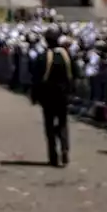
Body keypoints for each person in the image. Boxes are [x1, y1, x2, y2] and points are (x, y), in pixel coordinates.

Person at [30, 29, 73, 167]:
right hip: (63, 95)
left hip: (47, 97)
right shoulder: (66, 56)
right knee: (63, 124)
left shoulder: (43, 57)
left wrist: (34, 96)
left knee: (49, 127)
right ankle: (65, 148)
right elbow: (75, 75)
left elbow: (36, 78)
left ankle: (53, 156)